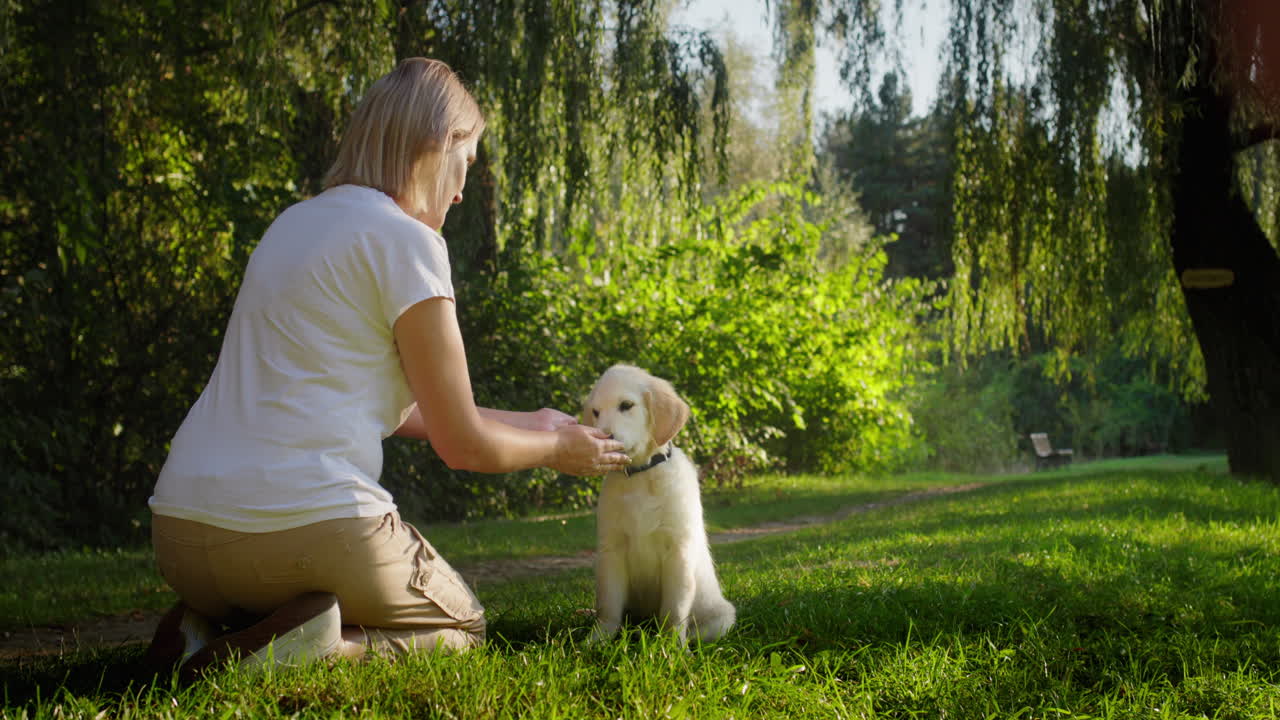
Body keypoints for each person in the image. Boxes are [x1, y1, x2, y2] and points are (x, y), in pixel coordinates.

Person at [144, 57, 630, 679]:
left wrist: (535, 422)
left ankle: (202, 627)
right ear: (437, 142)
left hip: (181, 534)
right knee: (459, 627)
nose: (460, 190)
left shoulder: (292, 225)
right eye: (467, 162)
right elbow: (463, 445)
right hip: (305, 532)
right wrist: (560, 451)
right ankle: (319, 650)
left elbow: (400, 409)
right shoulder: (407, 240)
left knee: (265, 580)